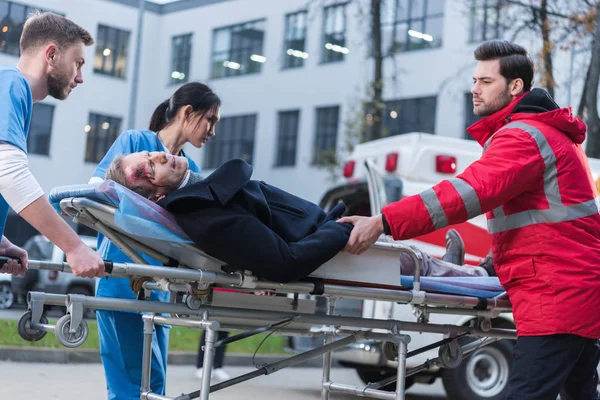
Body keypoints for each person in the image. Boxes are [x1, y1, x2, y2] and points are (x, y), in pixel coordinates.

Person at [338, 39, 600, 400]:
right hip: (571, 291)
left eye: (485, 81)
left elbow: (463, 194)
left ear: (515, 86)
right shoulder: (547, 135)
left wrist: (383, 221)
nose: (474, 89)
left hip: (555, 296)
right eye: (474, 80)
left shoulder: (524, 137)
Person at [105, 152, 496, 280]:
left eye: (150, 154)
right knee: (403, 258)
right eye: (147, 170)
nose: (158, 157)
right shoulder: (203, 212)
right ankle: (474, 276)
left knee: (402, 253)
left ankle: (461, 271)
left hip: (321, 235)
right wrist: (341, 232)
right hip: (327, 252)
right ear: (156, 193)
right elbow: (284, 262)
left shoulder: (204, 197)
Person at [89, 82, 221, 400]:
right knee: (131, 386)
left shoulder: (191, 171)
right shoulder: (136, 141)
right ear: (188, 113)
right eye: (211, 120)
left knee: (155, 384)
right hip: (121, 282)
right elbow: (97, 188)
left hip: (161, 288)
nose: (213, 131)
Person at [0, 11, 104, 278]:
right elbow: (9, 176)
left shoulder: (13, 94)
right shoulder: (10, 85)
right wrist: (74, 246)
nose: (80, 77)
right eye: (77, 63)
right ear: (52, 55)